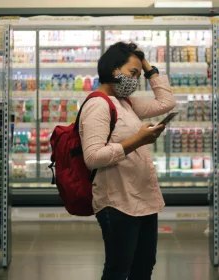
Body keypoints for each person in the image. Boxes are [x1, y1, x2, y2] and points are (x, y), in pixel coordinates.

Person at [79, 42, 176, 280]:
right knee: (119, 269)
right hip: (117, 202)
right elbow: (92, 158)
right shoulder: (98, 105)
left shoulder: (125, 103)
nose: (136, 80)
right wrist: (138, 141)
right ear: (114, 70)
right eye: (133, 73)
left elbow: (166, 103)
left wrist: (145, 65)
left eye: (138, 76)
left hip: (141, 199)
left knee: (143, 266)